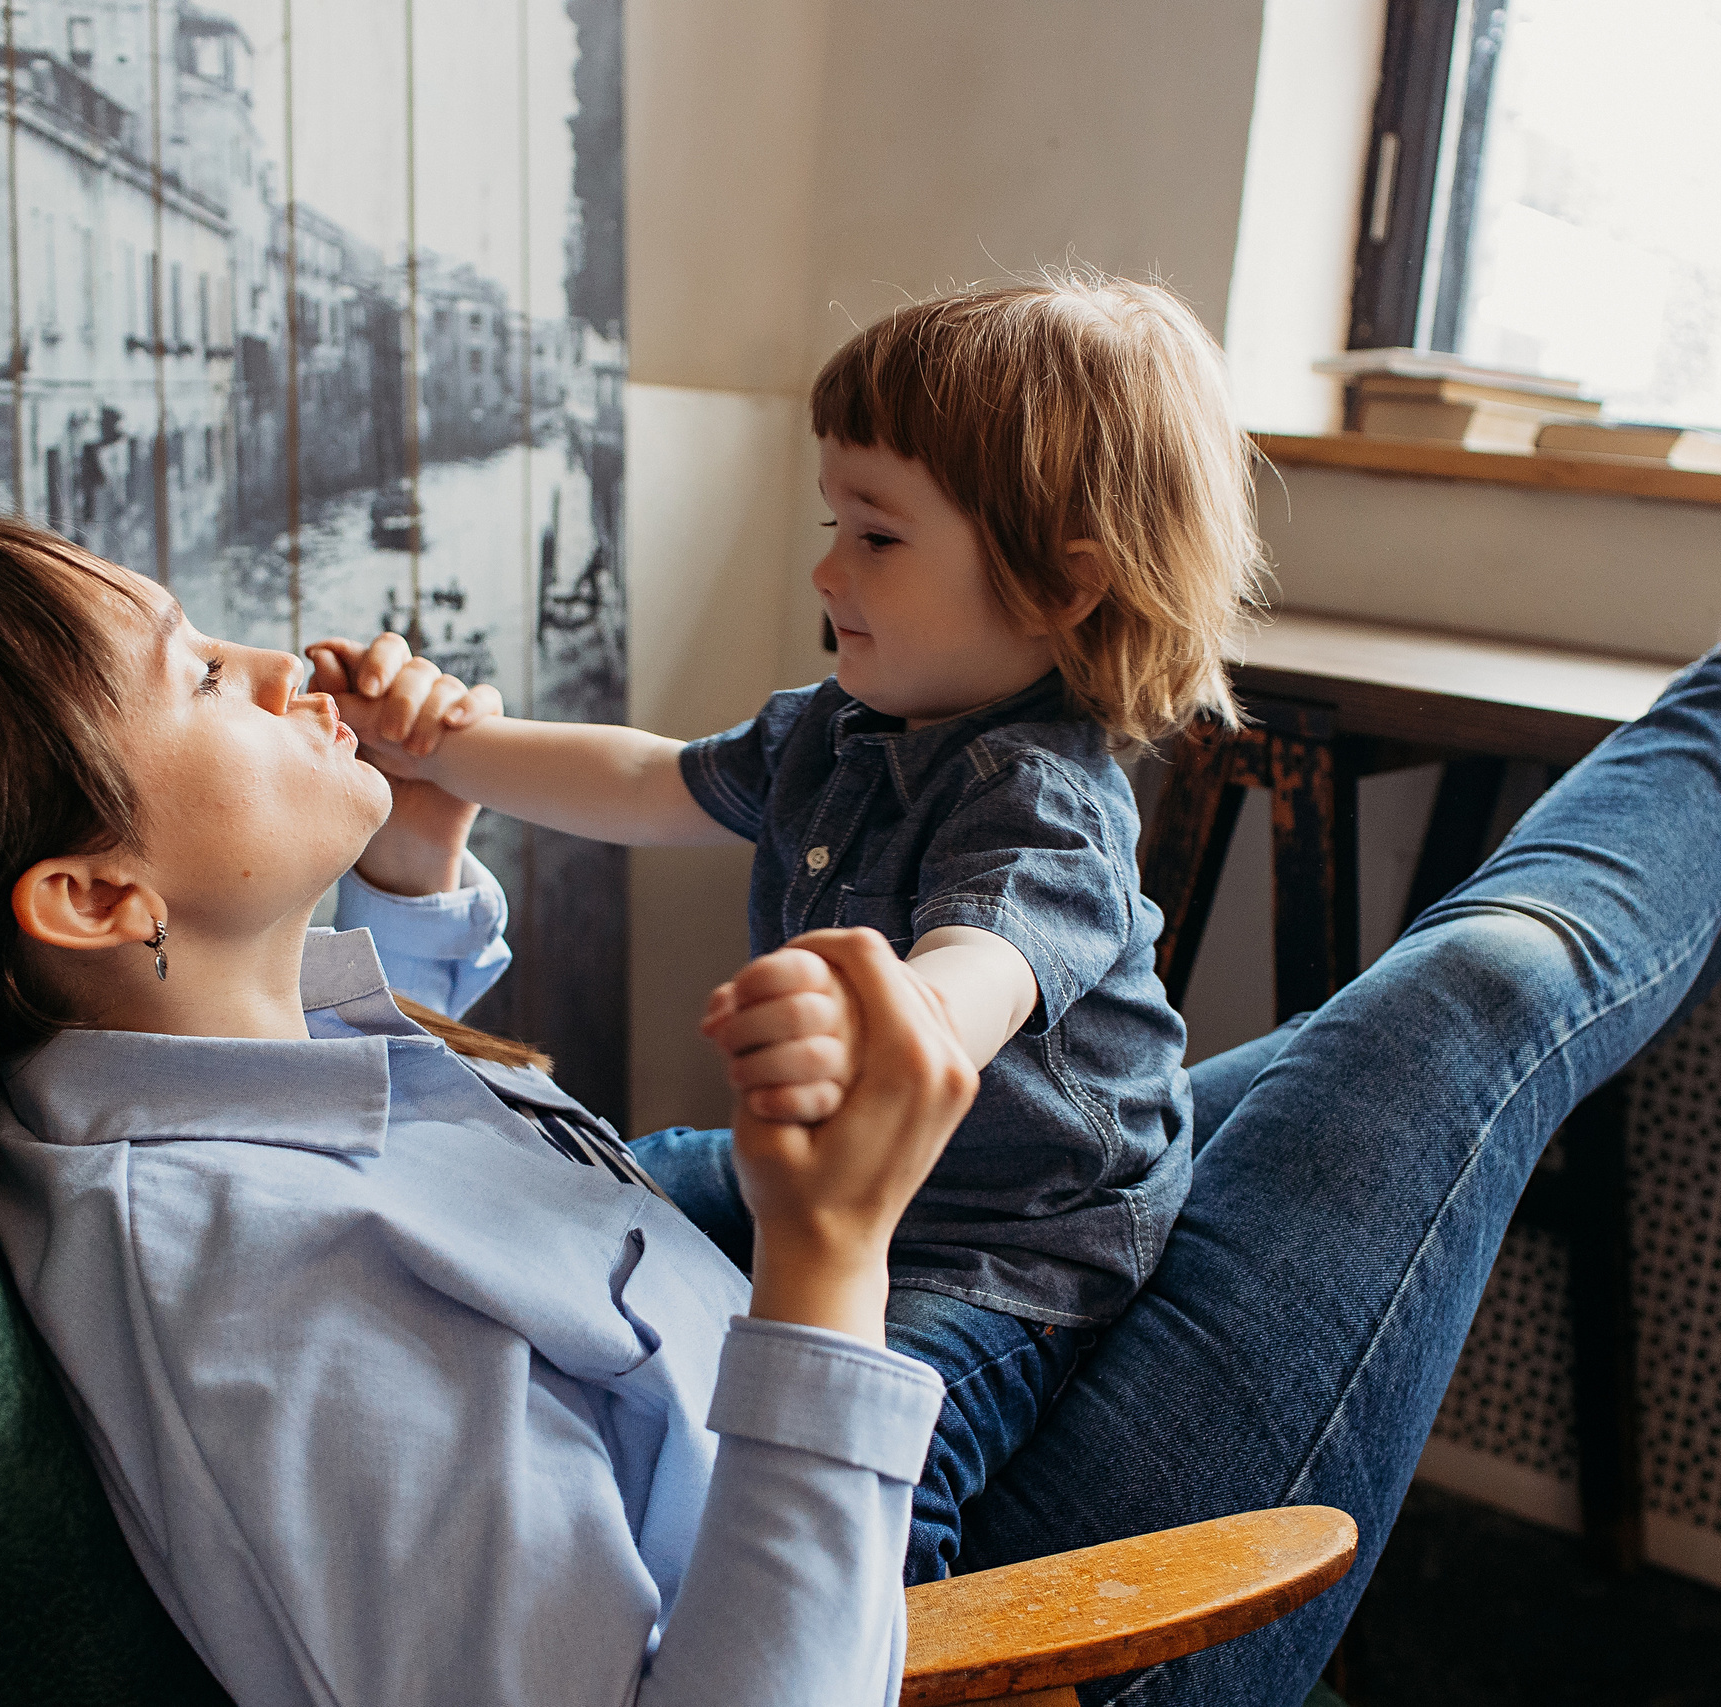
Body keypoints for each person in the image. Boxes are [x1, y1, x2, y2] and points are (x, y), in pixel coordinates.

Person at [0, 322, 1721, 1707]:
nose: (260, 649)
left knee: (1390, 1021)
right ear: (91, 887)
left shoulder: (112, 1072)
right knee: (1467, 994)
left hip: (813, 1354)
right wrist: (831, 1256)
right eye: (190, 670)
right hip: (950, 1614)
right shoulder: (268, 1312)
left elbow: (337, 1085)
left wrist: (410, 846)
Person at [315, 275, 1260, 1581]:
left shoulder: (1042, 802)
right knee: (583, 1183)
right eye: (834, 521)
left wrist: (877, 1020)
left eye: (877, 537)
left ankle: (896, 1639)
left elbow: (976, 978)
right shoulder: (836, 728)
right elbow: (649, 780)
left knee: (888, 1449)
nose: (826, 569)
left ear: (1062, 585)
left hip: (1002, 1237)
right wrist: (446, 750)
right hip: (825, 1182)